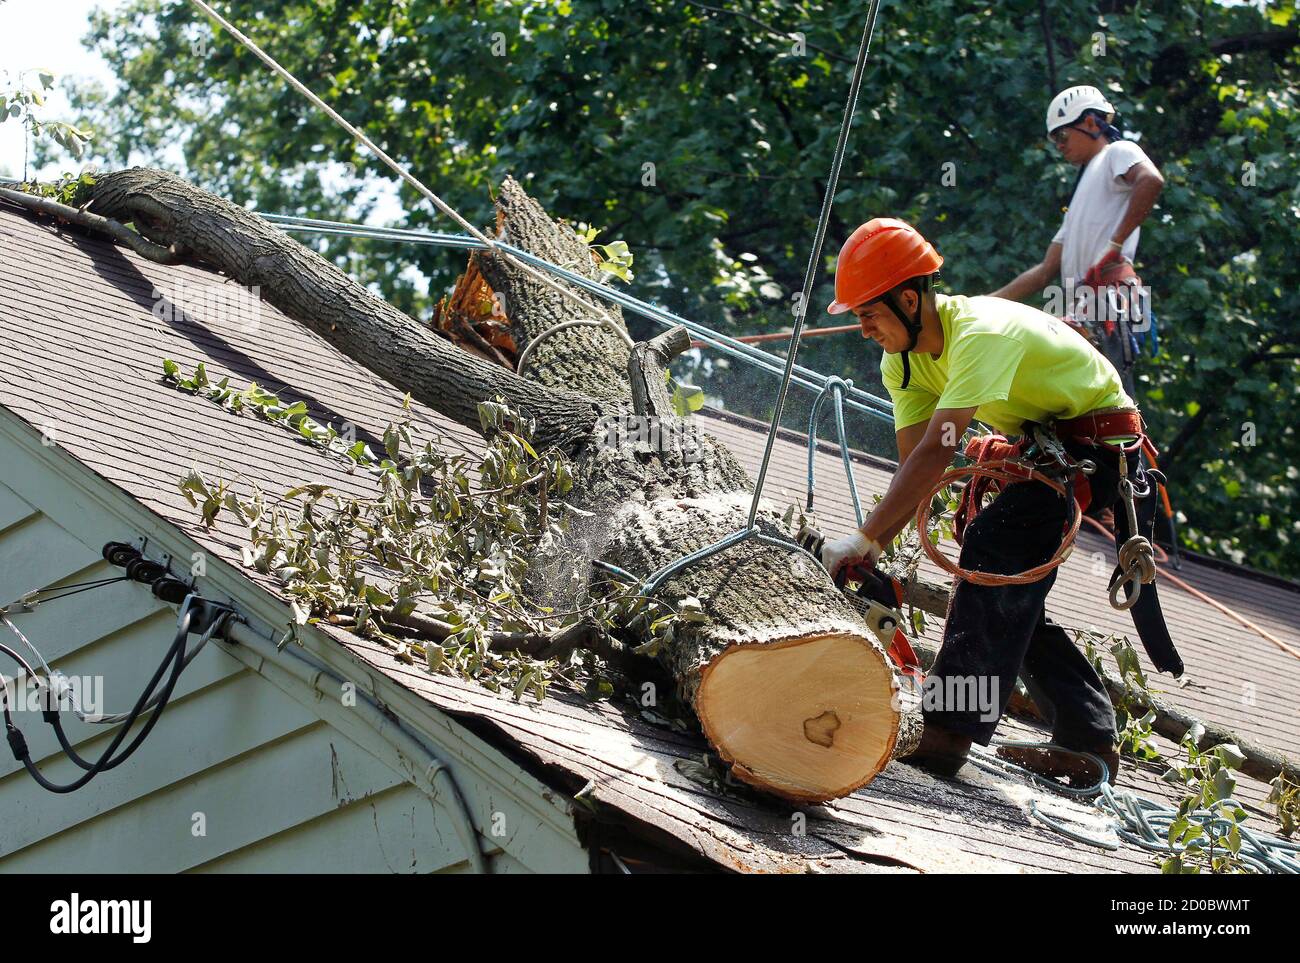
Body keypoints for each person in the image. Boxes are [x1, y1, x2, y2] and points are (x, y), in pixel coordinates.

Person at [819, 216, 1161, 784]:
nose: (863, 330)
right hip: (1048, 443)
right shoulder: (902, 361)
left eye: (869, 315)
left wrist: (861, 538)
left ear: (909, 299)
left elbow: (937, 452)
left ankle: (950, 729)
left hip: (1100, 443)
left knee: (994, 551)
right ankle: (1088, 735)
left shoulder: (979, 333)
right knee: (1006, 583)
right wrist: (874, 553)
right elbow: (916, 469)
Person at [991, 85, 1164, 397]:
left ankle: (1125, 446)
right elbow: (1045, 271)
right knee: (1070, 404)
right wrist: (989, 302)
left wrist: (1115, 245)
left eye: (1062, 136)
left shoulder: (1118, 152)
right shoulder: (1080, 196)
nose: (1058, 146)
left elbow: (1150, 180)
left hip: (1105, 302)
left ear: (1089, 123)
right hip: (1083, 309)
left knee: (1109, 407)